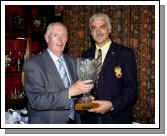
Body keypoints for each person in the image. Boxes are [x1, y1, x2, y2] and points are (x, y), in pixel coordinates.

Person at [23, 22, 94, 124]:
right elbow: (37, 101)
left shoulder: (73, 62)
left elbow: (74, 97)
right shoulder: (33, 64)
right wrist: (70, 92)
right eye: (55, 35)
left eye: (64, 35)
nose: (60, 39)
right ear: (47, 38)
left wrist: (83, 100)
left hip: (74, 121)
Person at [80, 13, 138, 124]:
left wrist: (112, 104)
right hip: (89, 119)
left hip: (116, 118)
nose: (98, 32)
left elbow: (132, 90)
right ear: (90, 32)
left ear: (110, 29)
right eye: (94, 28)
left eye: (102, 27)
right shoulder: (85, 55)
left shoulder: (125, 54)